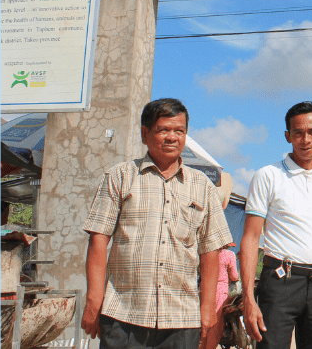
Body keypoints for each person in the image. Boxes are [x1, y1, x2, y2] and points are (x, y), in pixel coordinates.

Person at [81, 98, 233, 349]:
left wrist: (207, 310)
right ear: (145, 134)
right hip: (123, 314)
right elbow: (98, 238)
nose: (172, 137)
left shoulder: (202, 186)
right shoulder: (119, 177)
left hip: (182, 318)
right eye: (163, 130)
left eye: (179, 131)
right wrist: (94, 299)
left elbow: (210, 250)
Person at [239, 101, 312, 349]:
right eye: (298, 133)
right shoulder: (267, 176)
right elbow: (250, 237)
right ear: (287, 136)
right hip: (280, 282)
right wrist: (248, 297)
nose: (306, 139)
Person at [205, 243, 241, 349]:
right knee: (216, 323)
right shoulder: (229, 255)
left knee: (205, 322)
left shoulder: (206, 253)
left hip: (205, 289)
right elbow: (234, 276)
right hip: (220, 290)